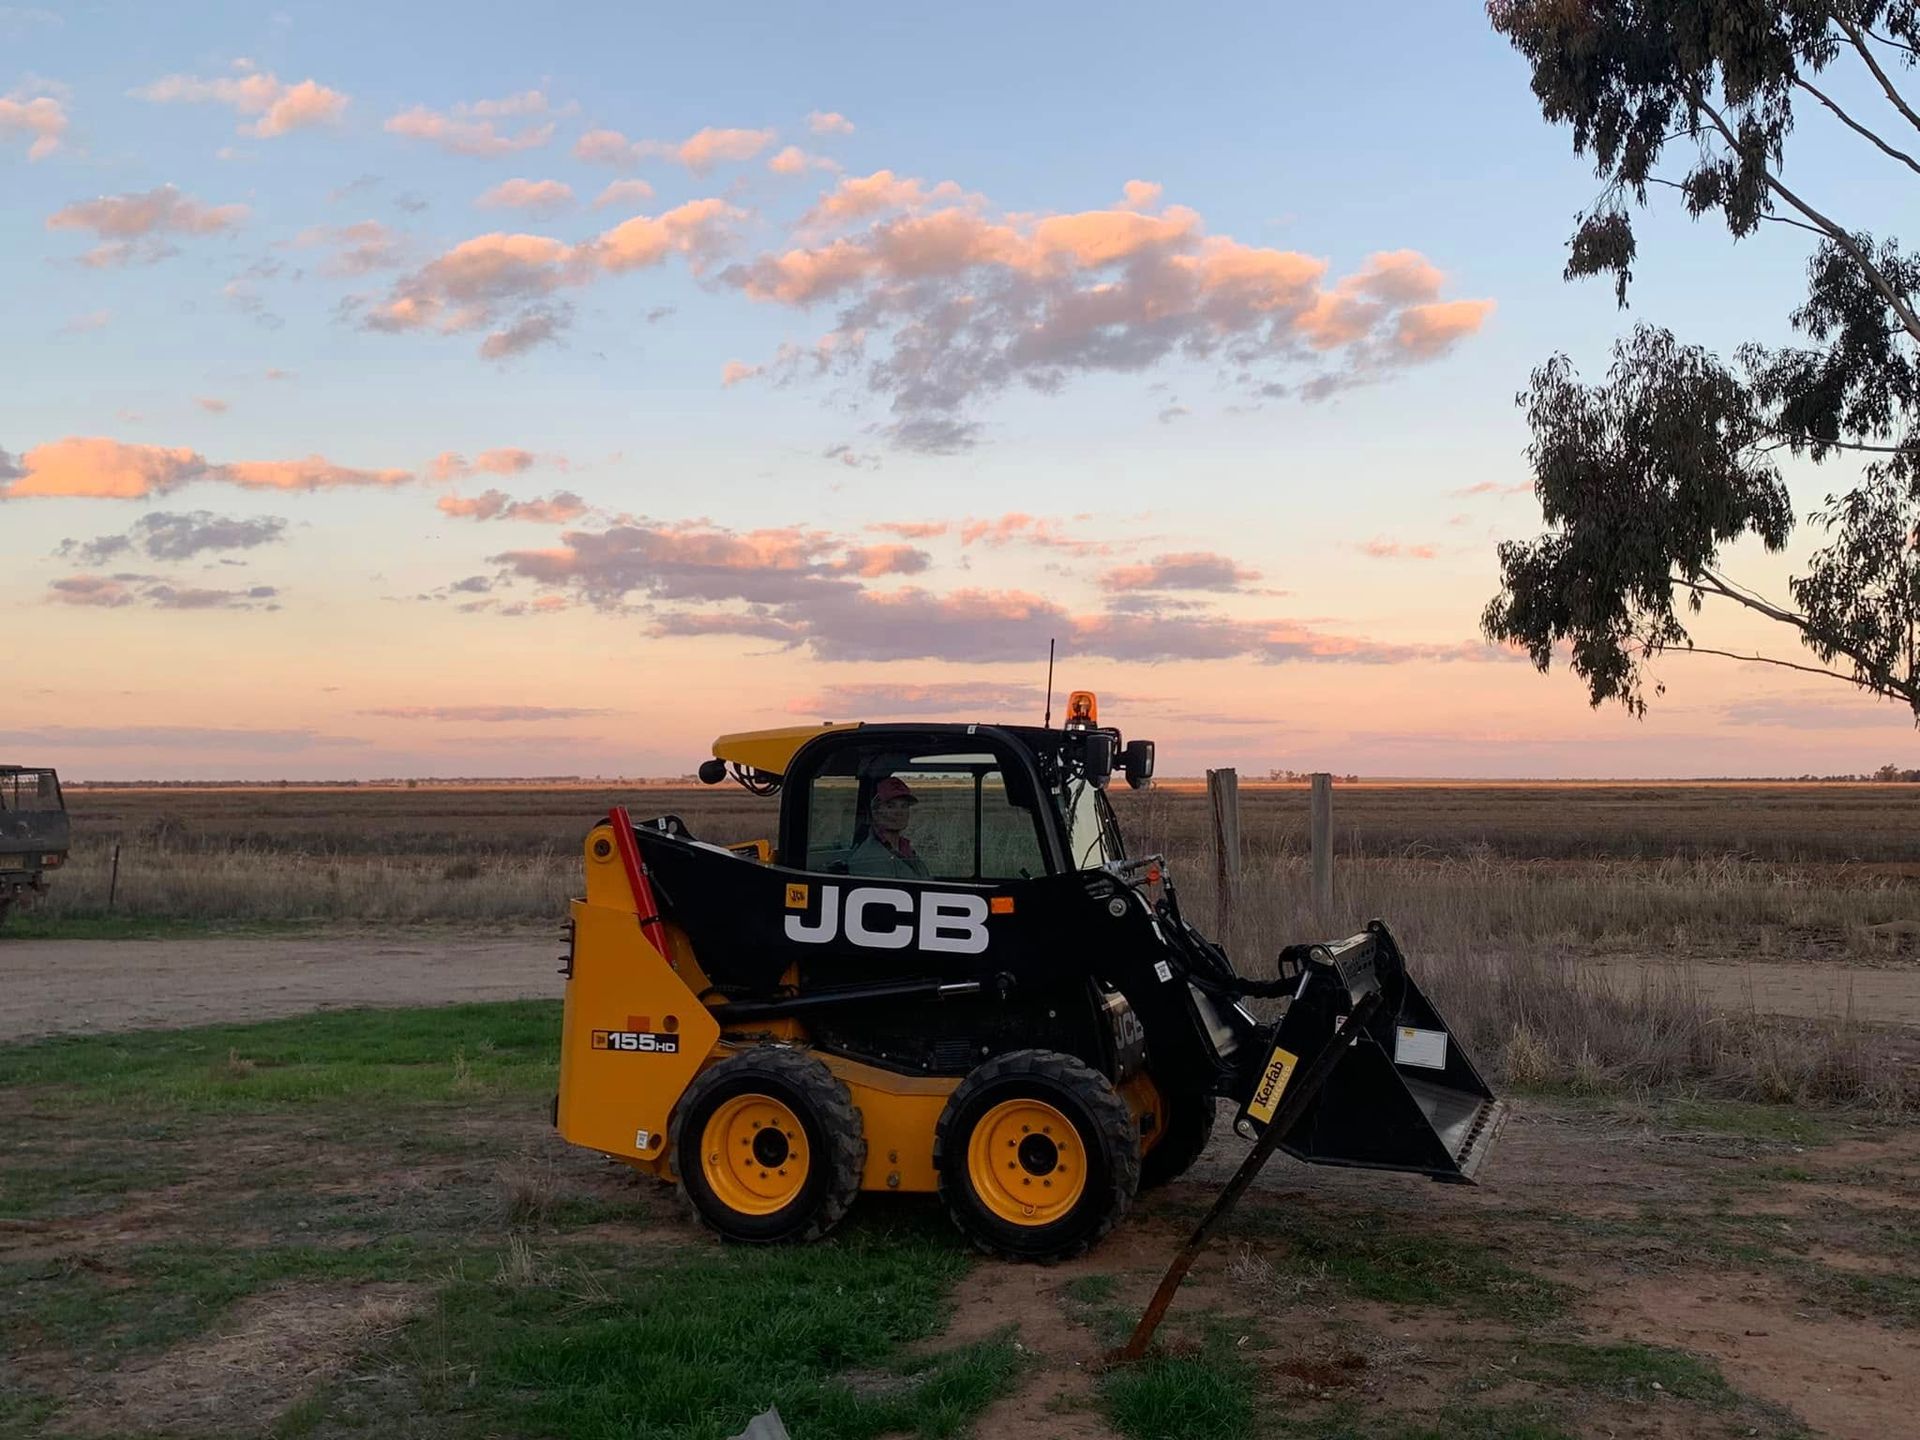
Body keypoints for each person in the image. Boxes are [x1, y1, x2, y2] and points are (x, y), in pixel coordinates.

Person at [846, 775, 931, 879]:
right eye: (890, 806)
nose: (899, 812)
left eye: (904, 806)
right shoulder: (871, 858)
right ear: (876, 812)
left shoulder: (904, 848)